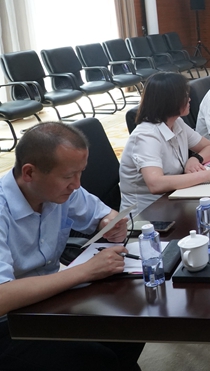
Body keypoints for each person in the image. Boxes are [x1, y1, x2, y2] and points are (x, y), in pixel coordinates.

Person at [0, 122, 144, 370]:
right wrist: (86, 271)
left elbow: (103, 214)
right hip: (8, 321)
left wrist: (110, 222)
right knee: (93, 358)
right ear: (29, 173)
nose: (76, 184)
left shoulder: (58, 190)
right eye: (68, 176)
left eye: (80, 173)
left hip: (48, 301)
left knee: (132, 323)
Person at [120, 73, 210, 216]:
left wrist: (195, 159)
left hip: (174, 201)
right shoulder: (146, 136)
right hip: (145, 215)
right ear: (170, 100)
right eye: (185, 95)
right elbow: (155, 184)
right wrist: (207, 175)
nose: (189, 99)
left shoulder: (176, 123)